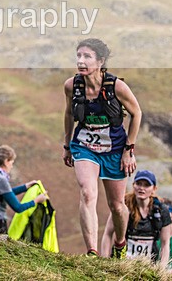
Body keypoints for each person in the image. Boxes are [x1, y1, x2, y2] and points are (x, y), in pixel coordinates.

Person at [62, 38, 142, 257]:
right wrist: (67, 145)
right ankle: (92, 252)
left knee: (116, 205)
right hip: (84, 146)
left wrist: (129, 150)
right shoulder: (71, 86)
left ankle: (120, 244)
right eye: (79, 56)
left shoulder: (117, 86)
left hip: (114, 149)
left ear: (100, 61)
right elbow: (68, 113)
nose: (81, 61)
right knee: (88, 193)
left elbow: (136, 113)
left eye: (87, 56)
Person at [100, 170, 172, 265]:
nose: (141, 188)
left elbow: (165, 243)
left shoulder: (161, 210)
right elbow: (108, 233)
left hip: (150, 263)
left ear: (154, 189)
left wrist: (162, 268)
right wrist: (104, 262)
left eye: (146, 185)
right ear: (133, 185)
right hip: (122, 262)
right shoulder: (123, 206)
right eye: (138, 184)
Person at [0, 145, 47, 234]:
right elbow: (18, 208)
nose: (12, 166)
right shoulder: (0, 179)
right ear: (6, 161)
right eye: (12, 163)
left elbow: (5, 193)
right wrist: (37, 200)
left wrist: (25, 187)